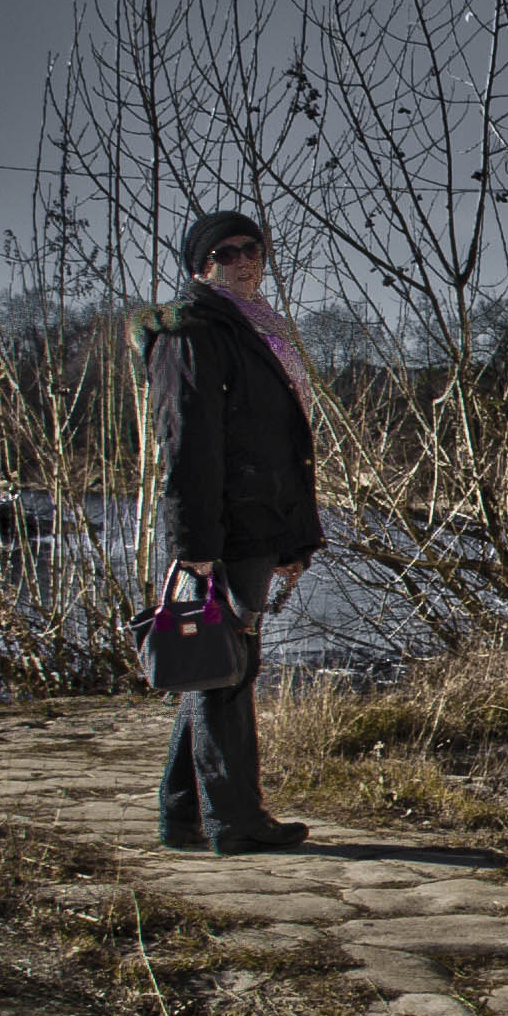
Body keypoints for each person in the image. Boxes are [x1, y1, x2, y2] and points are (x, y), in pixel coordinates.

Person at [141, 208, 321, 853]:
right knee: (227, 670)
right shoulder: (193, 332)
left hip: (258, 519)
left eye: (255, 248)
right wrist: (194, 547)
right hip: (227, 527)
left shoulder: (255, 330)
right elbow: (187, 444)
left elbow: (282, 443)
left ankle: (184, 814)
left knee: (218, 661)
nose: (247, 259)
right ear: (201, 264)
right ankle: (237, 823)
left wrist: (296, 538)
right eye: (229, 251)